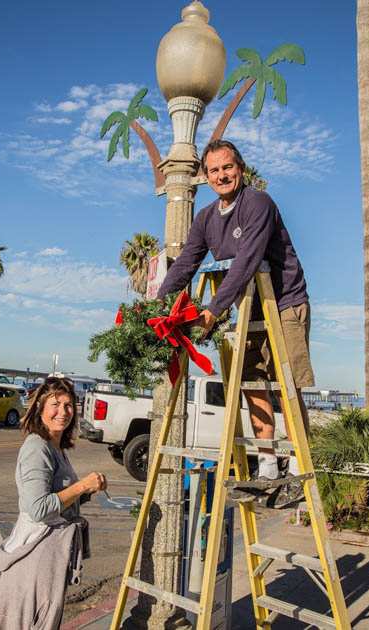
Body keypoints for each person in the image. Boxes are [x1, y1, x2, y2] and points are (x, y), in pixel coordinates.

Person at [157, 139, 315, 508]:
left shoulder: (258, 203)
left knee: (287, 387)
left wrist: (212, 310)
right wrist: (159, 303)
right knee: (253, 385)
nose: (221, 175)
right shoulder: (207, 218)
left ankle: (298, 471)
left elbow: (246, 263)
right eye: (214, 171)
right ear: (206, 177)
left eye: (227, 167)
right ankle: (268, 469)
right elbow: (186, 263)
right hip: (248, 310)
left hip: (284, 305)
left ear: (240, 169)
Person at [0, 377, 108, 630]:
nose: (62, 412)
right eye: (55, 404)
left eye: (68, 405)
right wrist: (81, 486)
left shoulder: (55, 447)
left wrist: (86, 492)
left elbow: (59, 497)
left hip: (50, 555)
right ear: (40, 408)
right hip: (35, 556)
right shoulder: (37, 448)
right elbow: (38, 508)